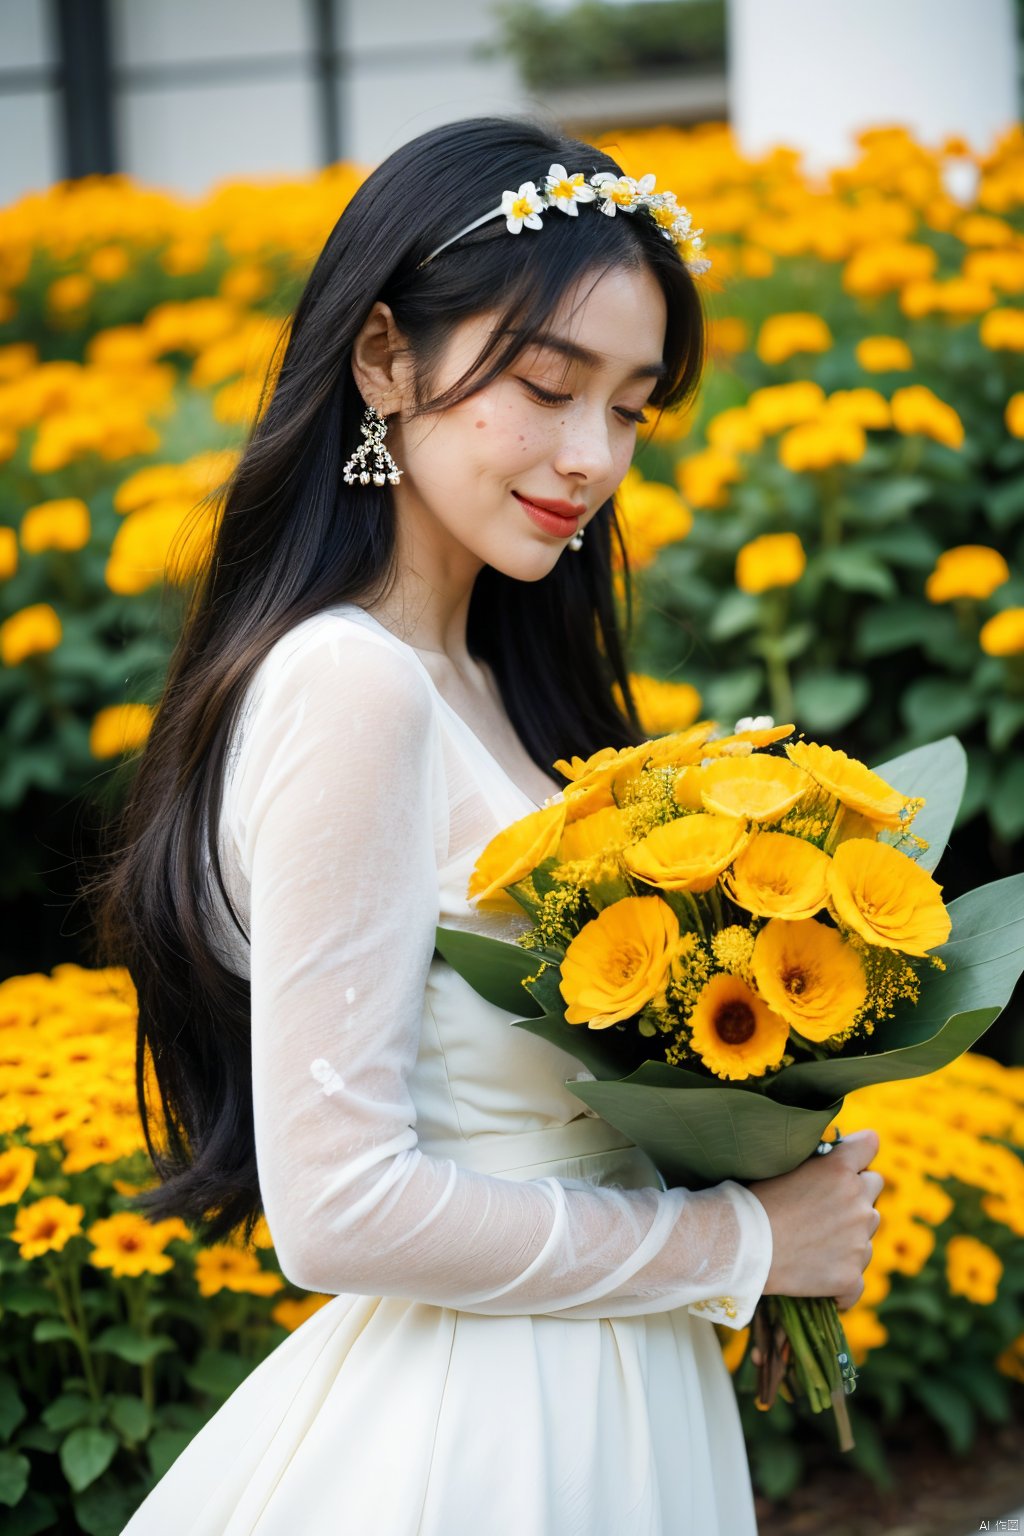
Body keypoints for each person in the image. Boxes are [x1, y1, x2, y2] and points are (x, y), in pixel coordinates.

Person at [90, 115, 883, 1536]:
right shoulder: (354, 687)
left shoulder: (493, 692)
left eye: (632, 407)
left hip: (603, 1400)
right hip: (490, 1444)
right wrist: (739, 1239)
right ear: (385, 357)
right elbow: (339, 1213)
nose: (591, 456)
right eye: (546, 383)